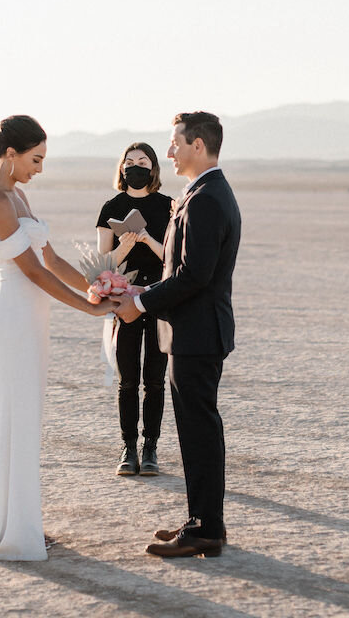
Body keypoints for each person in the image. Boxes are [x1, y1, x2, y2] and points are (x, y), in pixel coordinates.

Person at [0, 115, 113, 561]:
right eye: (35, 159)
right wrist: (89, 309)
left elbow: (49, 259)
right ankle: (9, 528)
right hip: (14, 313)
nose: (40, 169)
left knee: (26, 413)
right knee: (13, 412)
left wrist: (98, 283)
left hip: (34, 313)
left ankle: (21, 519)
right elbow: (30, 272)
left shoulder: (18, 192)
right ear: (10, 154)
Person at [112, 111, 241, 558]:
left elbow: (194, 276)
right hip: (192, 332)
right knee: (195, 431)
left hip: (197, 334)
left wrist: (141, 302)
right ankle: (202, 520)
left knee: (200, 432)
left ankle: (205, 529)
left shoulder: (206, 198)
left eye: (175, 143)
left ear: (198, 146)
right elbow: (182, 269)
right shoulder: (202, 193)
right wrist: (139, 289)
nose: (169, 151)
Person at [95, 143, 173, 476]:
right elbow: (102, 265)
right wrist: (123, 248)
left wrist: (147, 240)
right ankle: (128, 448)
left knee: (154, 380)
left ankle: (150, 447)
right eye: (129, 162)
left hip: (159, 298)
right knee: (128, 381)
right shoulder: (110, 207)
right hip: (124, 302)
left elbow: (174, 258)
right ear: (121, 168)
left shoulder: (168, 207)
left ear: (153, 168)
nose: (135, 167)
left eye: (142, 162)